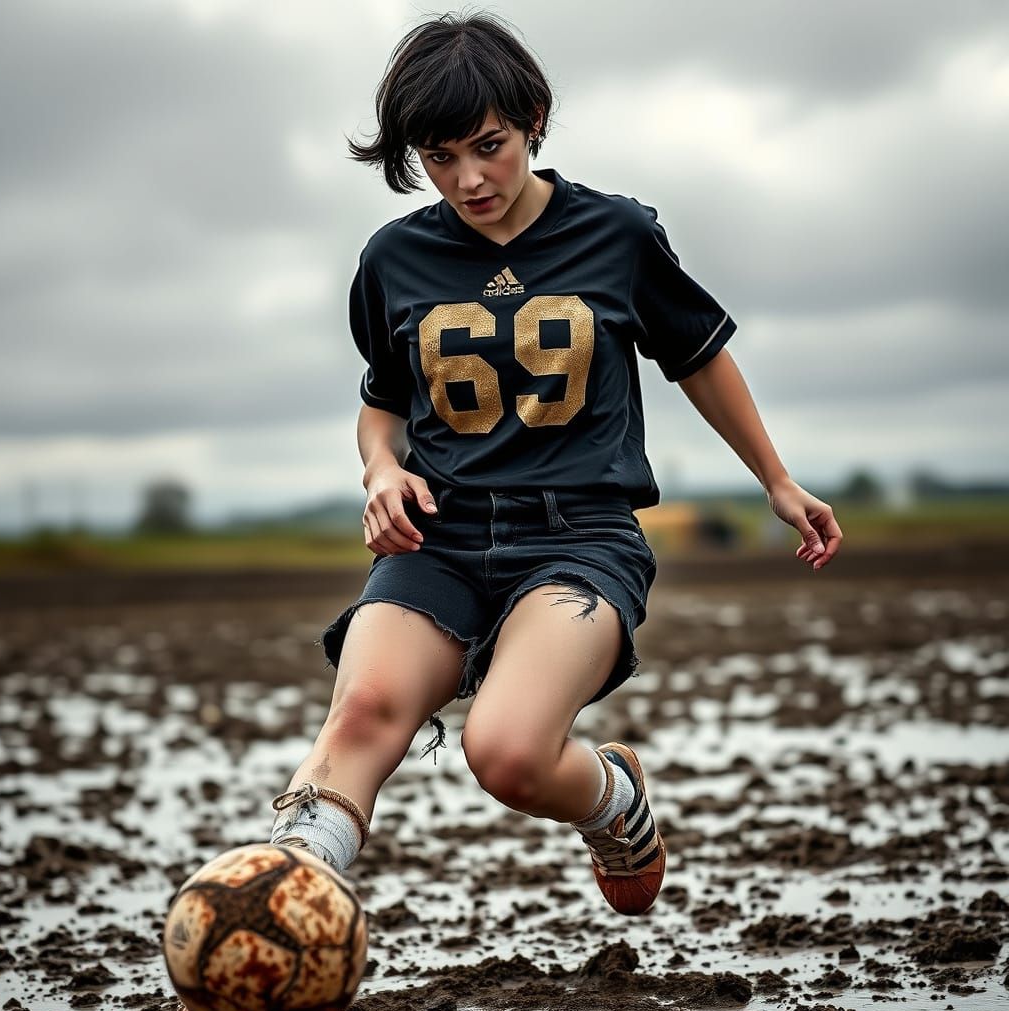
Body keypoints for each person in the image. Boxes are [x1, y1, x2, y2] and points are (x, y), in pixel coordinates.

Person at [269, 11, 843, 919]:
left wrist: (776, 479)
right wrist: (381, 470)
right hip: (440, 539)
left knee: (504, 752)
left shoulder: (615, 235)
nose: (468, 179)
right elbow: (383, 402)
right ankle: (263, 937)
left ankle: (615, 801)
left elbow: (697, 355)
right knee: (359, 718)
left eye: (487, 146)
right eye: (438, 157)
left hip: (579, 540)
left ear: (532, 118)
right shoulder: (394, 259)